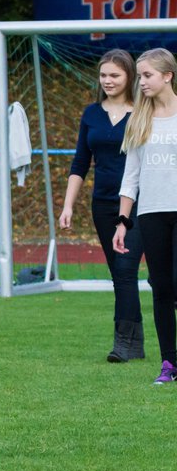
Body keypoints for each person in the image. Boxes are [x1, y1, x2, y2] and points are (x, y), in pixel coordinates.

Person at [58, 48, 144, 362]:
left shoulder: (145, 112)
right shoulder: (91, 114)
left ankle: (123, 344)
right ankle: (133, 344)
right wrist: (68, 206)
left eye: (114, 75)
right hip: (103, 204)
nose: (107, 80)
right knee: (121, 274)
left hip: (140, 203)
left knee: (125, 270)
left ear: (129, 77)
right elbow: (80, 163)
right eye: (103, 75)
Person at [114, 47, 177, 384]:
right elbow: (131, 177)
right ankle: (170, 363)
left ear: (168, 75)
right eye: (139, 76)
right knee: (161, 288)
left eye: (147, 75)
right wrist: (124, 222)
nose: (142, 82)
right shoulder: (138, 119)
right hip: (151, 214)